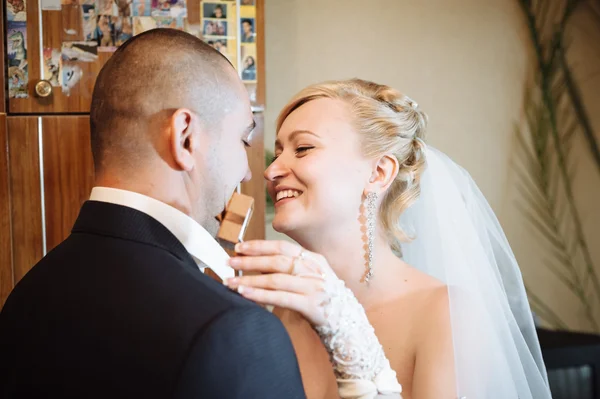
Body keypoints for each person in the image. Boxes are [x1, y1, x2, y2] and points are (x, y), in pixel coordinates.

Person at [0, 29, 306, 399]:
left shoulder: (25, 295)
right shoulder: (233, 330)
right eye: (243, 138)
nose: (247, 171)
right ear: (185, 138)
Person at [224, 79, 553, 399]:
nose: (271, 170)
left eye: (303, 148)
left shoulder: (448, 315)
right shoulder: (285, 310)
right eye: (278, 151)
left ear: (379, 173)